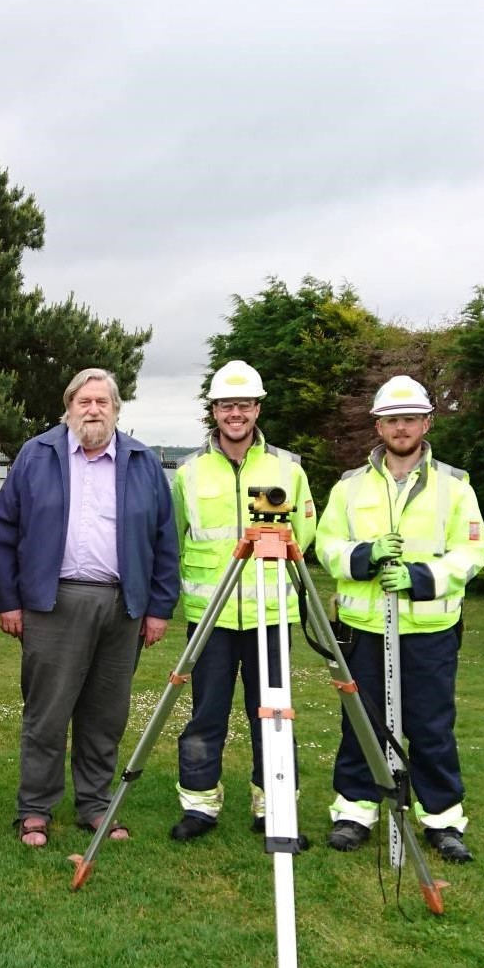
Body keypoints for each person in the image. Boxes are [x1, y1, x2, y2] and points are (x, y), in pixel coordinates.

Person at [0, 368, 179, 847]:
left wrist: (158, 608)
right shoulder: (36, 455)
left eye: (102, 401)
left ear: (116, 409)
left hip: (122, 608)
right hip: (53, 603)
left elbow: (163, 540)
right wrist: (9, 600)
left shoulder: (141, 462)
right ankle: (35, 809)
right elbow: (7, 532)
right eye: (84, 401)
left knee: (105, 715)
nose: (93, 409)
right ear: (68, 406)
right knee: (47, 714)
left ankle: (95, 805)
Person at [315, 375, 484, 863]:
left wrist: (420, 577)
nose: (401, 427)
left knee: (431, 726)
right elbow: (327, 548)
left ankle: (442, 820)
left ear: (426, 422)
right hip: (364, 628)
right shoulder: (350, 487)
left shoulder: (454, 486)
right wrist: (365, 556)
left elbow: (472, 551)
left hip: (428, 630)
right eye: (392, 419)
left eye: (410, 418)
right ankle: (355, 810)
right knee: (362, 725)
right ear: (378, 425)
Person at [167, 360, 316, 842]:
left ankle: (272, 805)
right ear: (214, 410)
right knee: (205, 715)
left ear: (257, 408)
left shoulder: (288, 468)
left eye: (245, 404)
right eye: (227, 405)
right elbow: (173, 535)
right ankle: (199, 804)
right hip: (209, 616)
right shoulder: (188, 472)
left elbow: (305, 533)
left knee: (271, 715)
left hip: (270, 614)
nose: (236, 413)